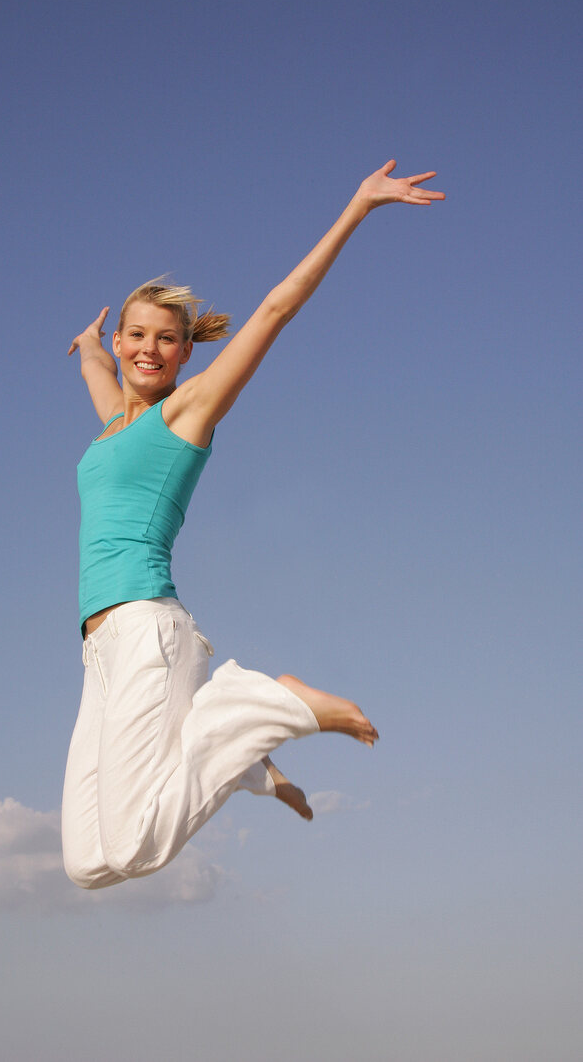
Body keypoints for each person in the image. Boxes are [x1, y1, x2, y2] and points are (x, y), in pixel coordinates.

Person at [62, 160, 444, 889]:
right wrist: (86, 347)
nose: (147, 348)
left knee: (137, 847)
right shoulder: (114, 426)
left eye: (165, 339)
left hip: (149, 628)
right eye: (135, 335)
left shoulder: (189, 410)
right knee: (90, 864)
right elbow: (100, 377)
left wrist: (356, 207)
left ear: (186, 351)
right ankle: (250, 763)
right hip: (101, 648)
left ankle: (280, 701)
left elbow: (274, 308)